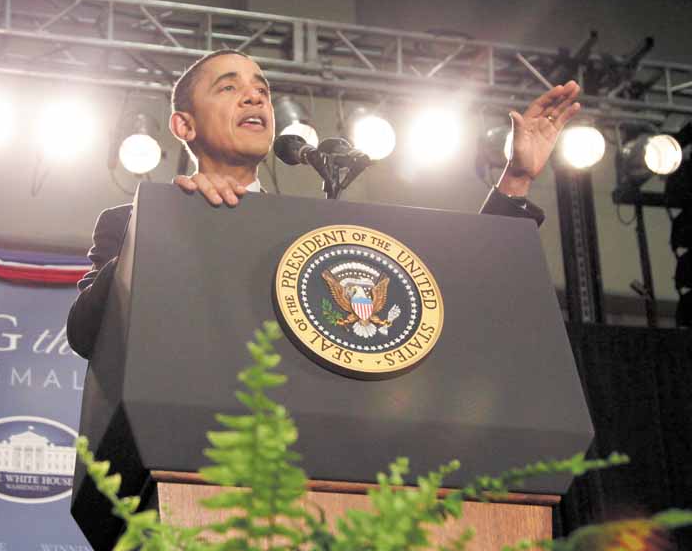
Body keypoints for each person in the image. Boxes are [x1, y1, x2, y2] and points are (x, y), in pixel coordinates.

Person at [66, 49, 582, 359]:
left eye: (262, 90)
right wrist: (168, 224)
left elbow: (450, 298)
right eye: (230, 88)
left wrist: (514, 180)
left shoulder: (314, 234)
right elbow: (87, 333)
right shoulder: (132, 223)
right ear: (184, 125)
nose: (255, 99)